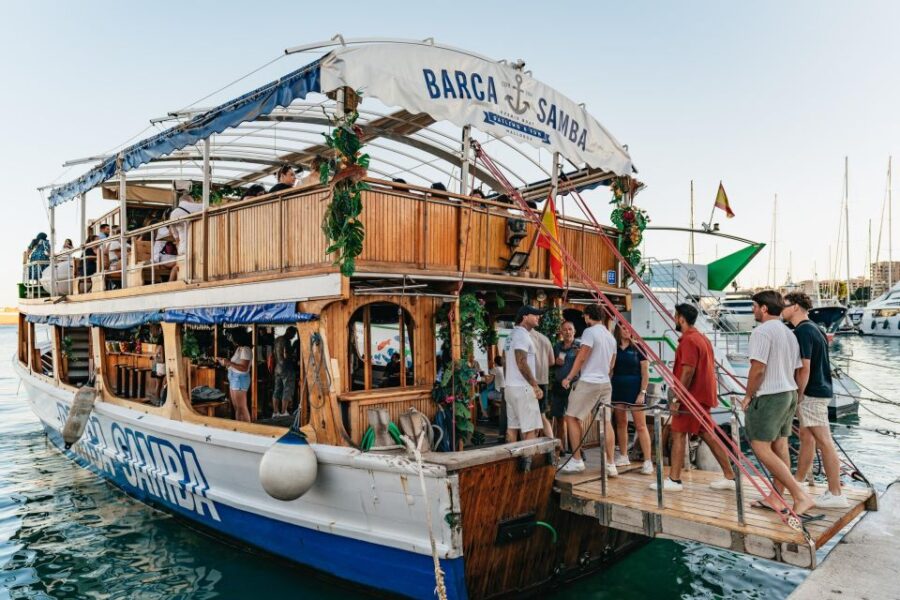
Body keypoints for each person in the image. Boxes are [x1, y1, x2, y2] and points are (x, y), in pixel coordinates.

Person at [742, 290, 819, 519]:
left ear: (764, 308)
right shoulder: (789, 333)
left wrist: (748, 396)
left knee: (760, 447)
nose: (753, 311)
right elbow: (797, 368)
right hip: (789, 393)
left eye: (754, 307)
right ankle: (777, 496)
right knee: (780, 445)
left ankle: (800, 495)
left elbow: (758, 369)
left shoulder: (761, 332)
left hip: (770, 395)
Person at [651, 304, 737, 491]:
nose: (674, 319)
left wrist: (677, 399)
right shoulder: (702, 339)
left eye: (675, 316)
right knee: (708, 435)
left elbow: (688, 371)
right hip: (701, 397)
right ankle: (730, 476)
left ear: (681, 318)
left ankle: (674, 480)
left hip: (691, 399)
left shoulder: (689, 341)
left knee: (679, 433)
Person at [783, 292, 848, 508]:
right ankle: (799, 481)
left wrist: (798, 395)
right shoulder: (815, 328)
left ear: (795, 307)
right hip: (821, 389)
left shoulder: (802, 331)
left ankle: (836, 493)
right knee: (807, 437)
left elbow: (804, 367)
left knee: (824, 441)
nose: (782, 309)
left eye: (785, 305)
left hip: (811, 393)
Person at [560, 304, 617, 475]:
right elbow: (611, 364)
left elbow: (582, 357)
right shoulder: (610, 336)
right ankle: (611, 464)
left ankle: (577, 460)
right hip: (605, 383)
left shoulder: (589, 332)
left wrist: (569, 377)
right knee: (606, 422)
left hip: (589, 381)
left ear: (587, 316)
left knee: (571, 417)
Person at [611, 323, 654, 474]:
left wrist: (642, 392)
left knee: (640, 425)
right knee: (620, 423)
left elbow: (645, 373)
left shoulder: (639, 348)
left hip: (635, 389)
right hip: (617, 387)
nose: (626, 330)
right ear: (618, 329)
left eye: (629, 328)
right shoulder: (613, 347)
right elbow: (610, 370)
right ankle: (623, 456)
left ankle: (648, 461)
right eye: (623, 328)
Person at [503, 305, 546, 442]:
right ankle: (528, 462)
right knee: (531, 430)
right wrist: (535, 385)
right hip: (523, 388)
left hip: (510, 387)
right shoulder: (522, 335)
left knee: (512, 428)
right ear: (524, 317)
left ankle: (512, 463)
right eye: (535, 314)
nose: (538, 317)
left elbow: (504, 361)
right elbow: (521, 361)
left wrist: (507, 381)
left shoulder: (510, 336)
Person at [551, 321, 580, 448]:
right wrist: (555, 362)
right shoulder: (556, 347)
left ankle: (578, 449)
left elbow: (583, 364)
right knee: (559, 418)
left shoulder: (579, 346)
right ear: (561, 332)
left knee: (574, 419)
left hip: (573, 386)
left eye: (570, 329)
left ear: (574, 331)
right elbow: (550, 365)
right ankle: (560, 447)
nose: (567, 332)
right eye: (565, 330)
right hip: (558, 385)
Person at [217, 330, 253, 422]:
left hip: (240, 379)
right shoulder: (239, 348)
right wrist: (225, 362)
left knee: (242, 407)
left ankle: (248, 429)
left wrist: (229, 363)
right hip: (234, 378)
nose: (230, 338)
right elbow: (235, 363)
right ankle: (239, 428)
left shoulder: (246, 349)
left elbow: (244, 368)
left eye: (232, 336)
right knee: (237, 407)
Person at [530, 326, 555, 437]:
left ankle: (530, 451)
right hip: (543, 380)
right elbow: (552, 361)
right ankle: (552, 446)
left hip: (529, 382)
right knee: (542, 415)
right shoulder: (545, 339)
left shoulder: (524, 337)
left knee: (529, 418)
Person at [272, 326, 298, 418]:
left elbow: (274, 353)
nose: (293, 336)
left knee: (277, 390)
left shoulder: (277, 339)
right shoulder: (287, 341)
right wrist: (293, 354)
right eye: (293, 334)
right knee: (287, 389)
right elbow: (286, 354)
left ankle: (275, 412)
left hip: (277, 367)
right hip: (286, 367)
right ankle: (283, 412)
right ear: (288, 332)